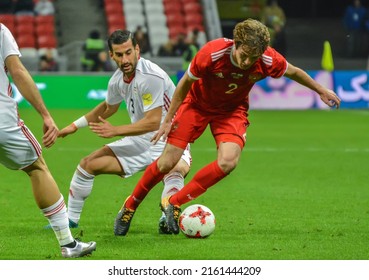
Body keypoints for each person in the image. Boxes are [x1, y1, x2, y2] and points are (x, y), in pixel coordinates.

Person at [114, 18, 341, 236]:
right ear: (236, 44)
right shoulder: (212, 54)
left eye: (254, 58)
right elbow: (184, 84)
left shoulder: (268, 59)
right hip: (197, 105)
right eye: (244, 56)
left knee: (228, 161)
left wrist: (321, 90)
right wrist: (168, 119)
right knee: (167, 162)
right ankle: (130, 206)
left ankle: (174, 202)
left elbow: (293, 72)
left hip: (232, 111)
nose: (247, 63)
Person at [54, 29, 191, 235]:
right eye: (119, 55)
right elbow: (109, 108)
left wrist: (115, 131)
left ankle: (168, 215)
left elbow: (154, 122)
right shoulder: (117, 80)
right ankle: (70, 221)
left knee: (174, 169)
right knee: (88, 165)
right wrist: (74, 126)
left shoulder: (150, 76)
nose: (124, 59)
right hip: (140, 140)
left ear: (137, 49)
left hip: (170, 139)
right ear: (111, 55)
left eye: (128, 52)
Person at [0, 23, 96, 257]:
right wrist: (45, 114)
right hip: (2, 121)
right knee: (36, 167)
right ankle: (68, 244)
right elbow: (18, 71)